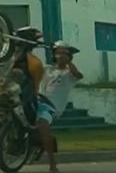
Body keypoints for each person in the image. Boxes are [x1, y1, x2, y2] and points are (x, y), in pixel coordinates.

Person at [37, 41, 83, 173]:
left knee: (43, 124)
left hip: (51, 107)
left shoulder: (69, 74)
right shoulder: (47, 69)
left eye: (64, 53)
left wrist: (69, 62)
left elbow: (77, 75)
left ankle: (52, 163)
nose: (61, 56)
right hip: (38, 100)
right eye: (58, 53)